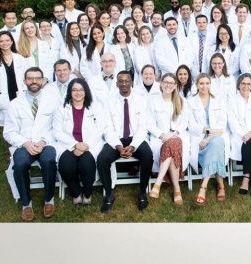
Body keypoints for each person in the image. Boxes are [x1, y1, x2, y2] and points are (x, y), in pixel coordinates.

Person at [3, 67, 60, 221]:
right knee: (20, 164)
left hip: (46, 142)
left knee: (48, 161)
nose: (34, 81)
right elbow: (9, 132)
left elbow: (58, 127)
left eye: (37, 78)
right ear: (24, 81)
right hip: (24, 143)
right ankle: (26, 203)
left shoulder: (53, 101)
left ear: (43, 81)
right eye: (30, 78)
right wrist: (25, 143)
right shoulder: (15, 104)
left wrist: (43, 141)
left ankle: (49, 199)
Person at [97, 71, 154, 213]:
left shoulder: (141, 100)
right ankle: (109, 194)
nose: (124, 84)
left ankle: (142, 192)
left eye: (127, 81)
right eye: (121, 81)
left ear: (132, 83)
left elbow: (143, 127)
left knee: (148, 156)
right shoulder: (109, 102)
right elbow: (107, 127)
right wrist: (118, 146)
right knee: (102, 159)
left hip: (136, 138)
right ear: (116, 84)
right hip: (116, 139)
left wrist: (133, 146)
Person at [53, 78, 106, 206]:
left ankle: (87, 193)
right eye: (74, 90)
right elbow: (57, 131)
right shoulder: (62, 109)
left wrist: (85, 145)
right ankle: (76, 193)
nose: (78, 93)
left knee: (86, 163)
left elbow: (100, 128)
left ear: (86, 91)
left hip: (90, 143)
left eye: (81, 90)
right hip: (68, 144)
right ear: (70, 92)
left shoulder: (95, 107)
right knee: (66, 164)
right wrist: (75, 144)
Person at [187, 73, 230, 206]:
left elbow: (222, 124)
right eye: (201, 83)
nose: (204, 86)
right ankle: (221, 186)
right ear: (196, 85)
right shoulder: (190, 101)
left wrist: (209, 137)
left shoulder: (219, 100)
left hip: (216, 136)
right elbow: (190, 124)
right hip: (199, 136)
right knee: (216, 148)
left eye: (207, 83)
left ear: (210, 84)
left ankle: (203, 187)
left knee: (216, 143)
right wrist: (206, 131)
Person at [148, 73, 190, 205]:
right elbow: (149, 123)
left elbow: (185, 121)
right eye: (166, 82)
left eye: (171, 83)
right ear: (161, 84)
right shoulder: (153, 100)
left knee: (174, 142)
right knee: (172, 146)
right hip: (159, 138)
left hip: (178, 135)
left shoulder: (182, 101)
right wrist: (162, 135)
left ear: (175, 85)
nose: (168, 85)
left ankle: (158, 183)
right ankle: (177, 189)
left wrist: (173, 133)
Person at [0, 31, 27, 126]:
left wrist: (24, 89)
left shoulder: (19, 58)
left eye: (7, 40)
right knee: (7, 126)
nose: (5, 43)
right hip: (2, 96)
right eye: (1, 41)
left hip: (18, 94)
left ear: (12, 42)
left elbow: (25, 76)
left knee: (22, 123)